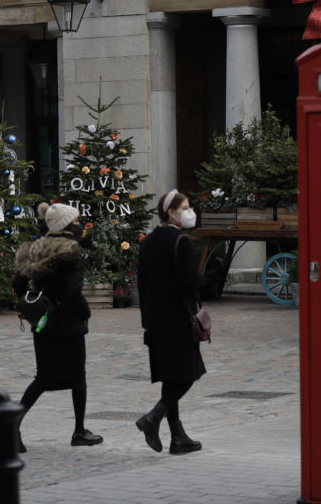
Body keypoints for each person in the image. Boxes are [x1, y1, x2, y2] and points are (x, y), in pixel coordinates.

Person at [13, 202, 103, 452]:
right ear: (67, 225)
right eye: (75, 221)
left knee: (43, 378)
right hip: (68, 324)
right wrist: (84, 311)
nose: (79, 225)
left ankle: (12, 425)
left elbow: (18, 283)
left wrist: (39, 299)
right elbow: (73, 291)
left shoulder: (36, 248)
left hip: (43, 322)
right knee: (78, 377)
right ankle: (79, 430)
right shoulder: (71, 250)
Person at [135, 189, 206, 454]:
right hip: (179, 319)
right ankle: (153, 417)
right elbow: (191, 283)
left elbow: (141, 284)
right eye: (185, 207)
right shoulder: (181, 242)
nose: (190, 212)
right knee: (188, 373)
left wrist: (146, 320)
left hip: (155, 320)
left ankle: (178, 437)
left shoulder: (148, 241)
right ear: (171, 212)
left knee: (170, 376)